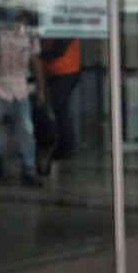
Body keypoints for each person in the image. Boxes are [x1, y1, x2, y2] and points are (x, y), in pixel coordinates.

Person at [0, 9, 45, 187]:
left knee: (26, 129)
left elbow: (36, 62)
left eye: (21, 21)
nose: (18, 25)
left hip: (21, 88)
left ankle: (29, 170)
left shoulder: (30, 36)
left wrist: (41, 90)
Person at [39, 37, 81, 172]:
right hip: (62, 70)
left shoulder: (64, 24)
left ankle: (65, 147)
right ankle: (64, 145)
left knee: (61, 110)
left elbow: (59, 48)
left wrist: (40, 55)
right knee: (61, 110)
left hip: (64, 71)